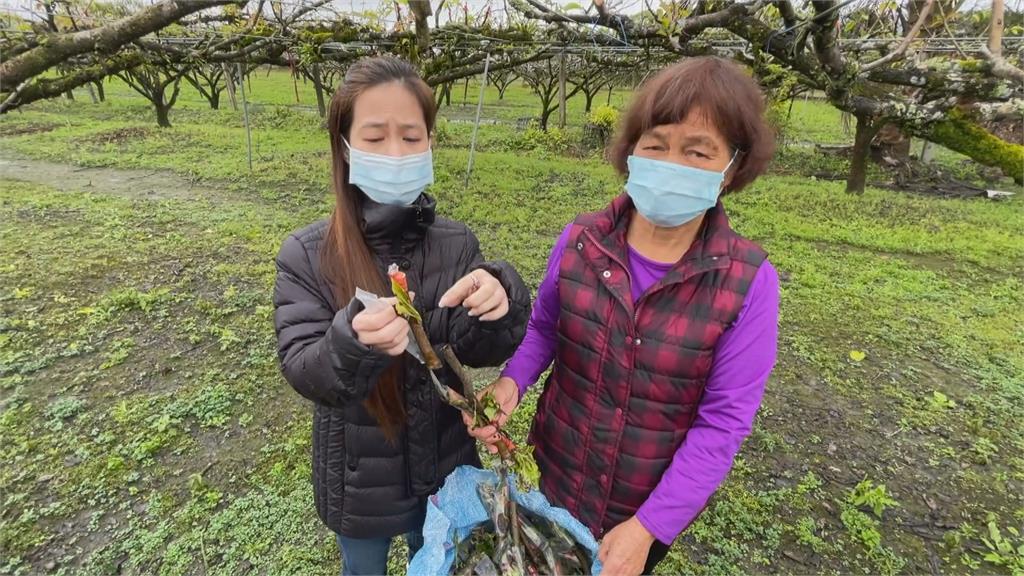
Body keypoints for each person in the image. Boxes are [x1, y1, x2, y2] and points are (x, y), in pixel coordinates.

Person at [468, 57, 780, 575]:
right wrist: (510, 384)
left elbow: (722, 423)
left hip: (642, 503)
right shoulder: (581, 241)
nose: (672, 163)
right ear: (632, 151)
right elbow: (546, 328)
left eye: (698, 151)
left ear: (731, 170)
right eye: (656, 145)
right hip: (553, 470)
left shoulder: (747, 282)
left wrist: (649, 527)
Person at [273, 56, 530, 576]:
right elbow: (306, 369)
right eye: (375, 136)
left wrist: (499, 303)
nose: (395, 152)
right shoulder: (308, 254)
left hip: (443, 464)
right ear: (344, 147)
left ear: (431, 141)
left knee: (437, 562)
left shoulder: (456, 243)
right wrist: (349, 342)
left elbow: (475, 347)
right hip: (358, 478)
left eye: (411, 137)